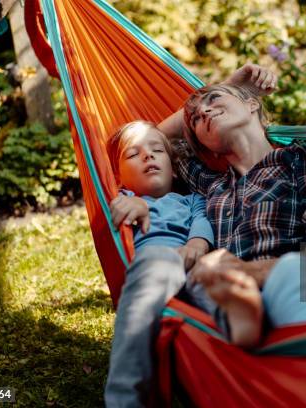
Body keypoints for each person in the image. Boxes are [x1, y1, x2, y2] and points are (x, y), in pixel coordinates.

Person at [105, 64, 306, 408]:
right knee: (194, 274)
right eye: (196, 119)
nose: (203, 111)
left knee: (293, 270)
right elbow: (152, 141)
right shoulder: (211, 185)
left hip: (284, 278)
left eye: (214, 101)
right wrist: (228, 87)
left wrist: (251, 272)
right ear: (206, 146)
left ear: (253, 104)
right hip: (218, 298)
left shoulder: (305, 156)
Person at [104, 121, 215, 408]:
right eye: (133, 154)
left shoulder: (192, 200)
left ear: (174, 168)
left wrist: (196, 246)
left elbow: (202, 223)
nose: (148, 156)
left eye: (156, 150)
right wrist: (137, 205)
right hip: (156, 265)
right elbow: (118, 210)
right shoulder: (126, 198)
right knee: (157, 261)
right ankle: (125, 399)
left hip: (194, 265)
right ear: (119, 177)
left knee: (229, 297)